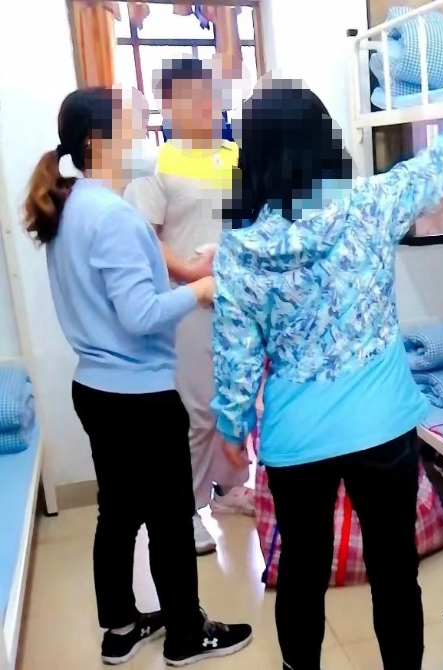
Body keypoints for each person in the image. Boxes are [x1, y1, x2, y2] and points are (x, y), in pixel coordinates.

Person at [211, 51, 443, 670]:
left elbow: (236, 358)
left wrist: (230, 428)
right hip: (381, 426)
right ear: (323, 143)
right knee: (394, 569)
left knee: (300, 573)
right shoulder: (371, 205)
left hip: (296, 439)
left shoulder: (239, 249)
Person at [23, 86, 253, 667]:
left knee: (119, 513)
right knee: (171, 520)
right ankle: (185, 637)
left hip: (96, 389)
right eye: (132, 123)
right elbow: (140, 314)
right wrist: (200, 289)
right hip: (139, 396)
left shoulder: (72, 206)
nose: (144, 132)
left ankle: (120, 628)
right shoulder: (115, 216)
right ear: (98, 140)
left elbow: (116, 299)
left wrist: (188, 275)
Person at [124, 57, 252, 557]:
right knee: (197, 413)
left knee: (237, 401)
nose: (205, 104)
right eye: (192, 96)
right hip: (189, 306)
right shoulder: (155, 164)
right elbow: (147, 240)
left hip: (240, 302)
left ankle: (231, 487)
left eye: (211, 93)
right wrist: (195, 275)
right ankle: (189, 508)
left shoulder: (238, 155)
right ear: (169, 105)